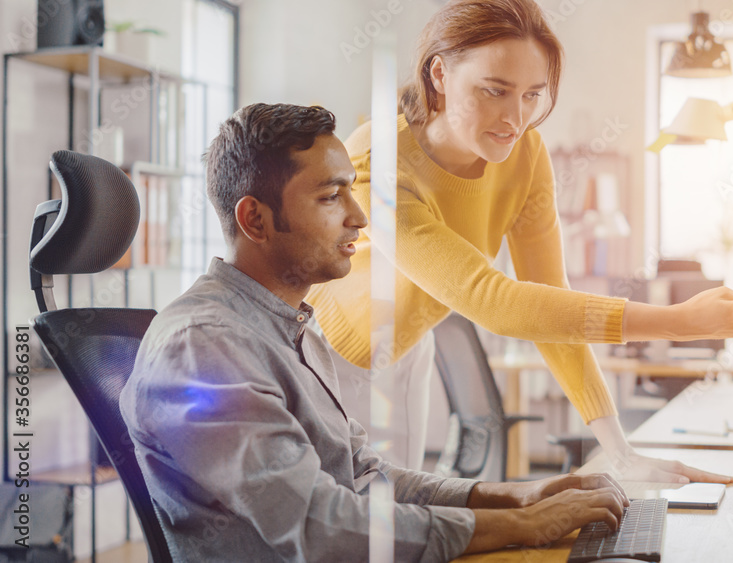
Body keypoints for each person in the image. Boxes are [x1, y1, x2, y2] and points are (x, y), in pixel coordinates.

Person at [306, 0, 733, 478]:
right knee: (351, 530)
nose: (515, 118)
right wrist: (680, 323)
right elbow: (492, 301)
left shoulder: (525, 155)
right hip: (325, 359)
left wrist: (620, 451)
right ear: (439, 74)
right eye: (494, 90)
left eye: (532, 95)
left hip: (404, 350)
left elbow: (551, 299)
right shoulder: (378, 160)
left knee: (396, 526)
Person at [120, 103, 633, 561]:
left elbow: (363, 473)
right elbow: (315, 526)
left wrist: (508, 496)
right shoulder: (205, 344)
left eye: (352, 189)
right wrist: (517, 526)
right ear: (255, 219)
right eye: (330, 196)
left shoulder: (291, 326)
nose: (359, 216)